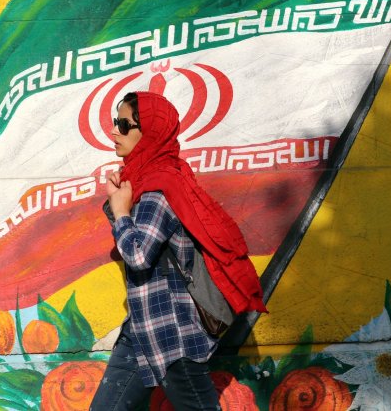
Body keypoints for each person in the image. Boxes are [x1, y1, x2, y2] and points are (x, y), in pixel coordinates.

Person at [89, 91, 266, 410]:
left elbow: (139, 255)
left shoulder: (159, 188)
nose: (114, 131)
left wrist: (121, 211)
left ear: (150, 132)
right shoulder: (146, 182)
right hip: (141, 329)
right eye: (115, 123)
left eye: (124, 125)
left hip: (172, 334)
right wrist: (119, 204)